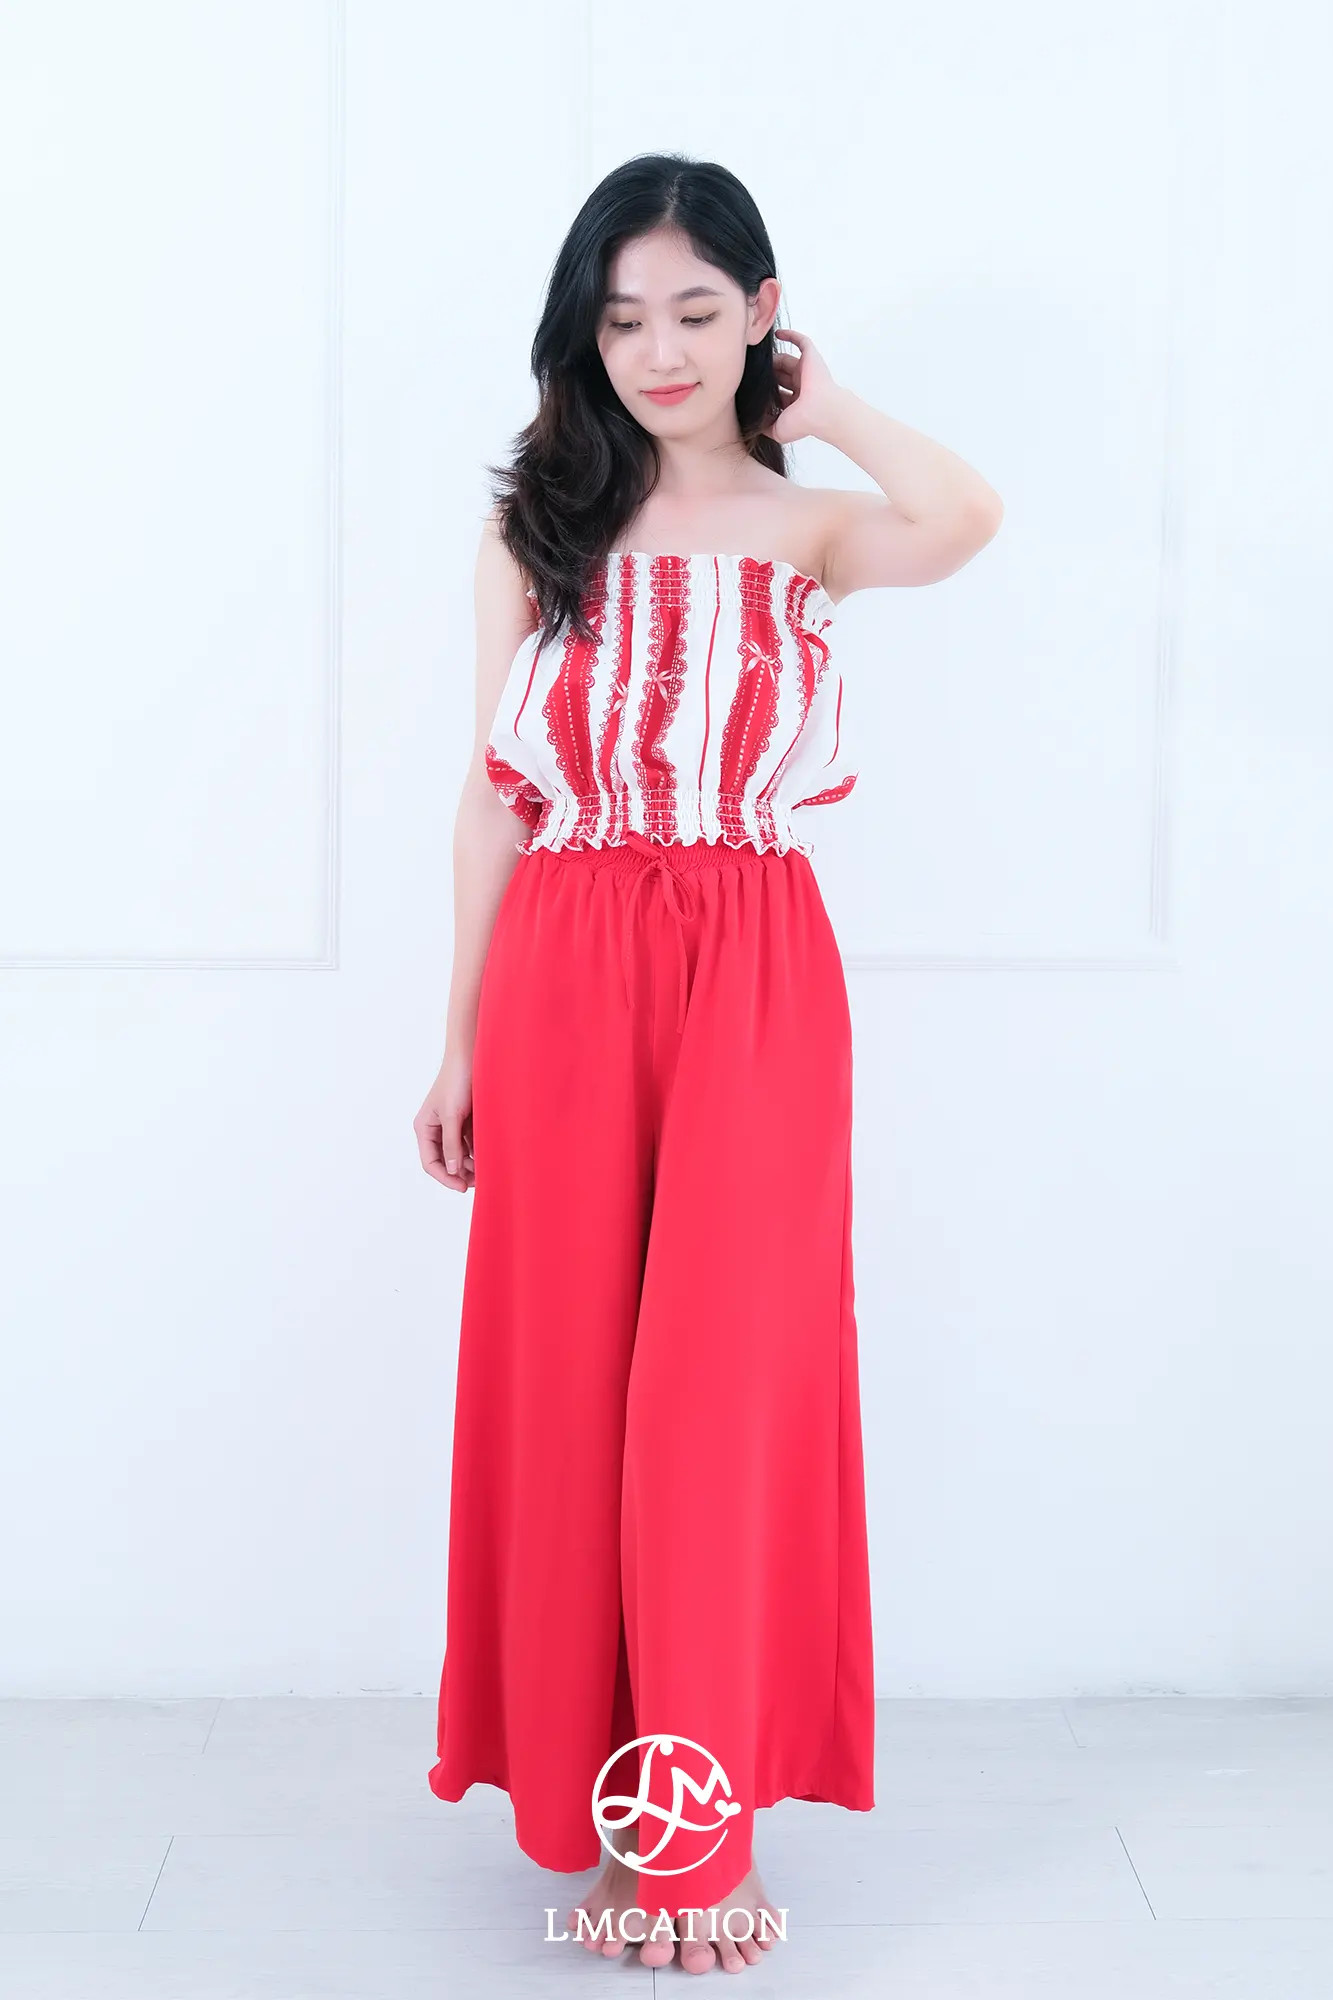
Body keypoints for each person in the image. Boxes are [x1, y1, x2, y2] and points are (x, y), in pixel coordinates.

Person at [414, 152, 1003, 1977]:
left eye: (693, 309)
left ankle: (696, 1840)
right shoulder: (539, 530)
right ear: (580, 339)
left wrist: (827, 408)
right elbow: (494, 794)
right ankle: (611, 1827)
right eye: (621, 320)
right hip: (566, 962)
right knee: (570, 1391)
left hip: (751, 965)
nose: (658, 351)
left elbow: (964, 514)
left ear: (758, 312)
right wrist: (458, 1037)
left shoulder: (809, 527)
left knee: (717, 1401)